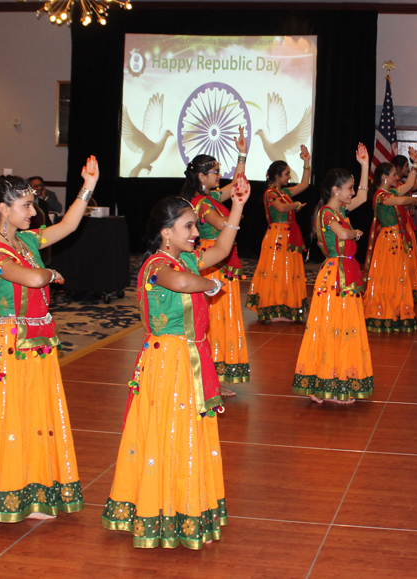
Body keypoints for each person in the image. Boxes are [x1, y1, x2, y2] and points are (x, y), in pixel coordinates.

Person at [0, 156, 99, 522]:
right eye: (26, 205)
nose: (33, 211)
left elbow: (68, 225)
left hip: (37, 339)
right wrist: (48, 272)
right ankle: (11, 490)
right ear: (3, 209)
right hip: (12, 342)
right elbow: (30, 279)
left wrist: (88, 186)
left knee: (35, 413)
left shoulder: (26, 240)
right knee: (13, 416)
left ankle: (34, 487)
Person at [102, 177, 250, 549]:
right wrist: (210, 286)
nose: (197, 232)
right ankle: (160, 508)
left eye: (196, 225)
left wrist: (238, 206)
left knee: (187, 432)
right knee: (167, 432)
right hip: (168, 362)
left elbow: (221, 250)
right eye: (189, 226)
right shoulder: (156, 265)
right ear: (167, 232)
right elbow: (180, 284)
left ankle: (186, 504)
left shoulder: (184, 258)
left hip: (189, 359)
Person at [293, 144, 374, 403]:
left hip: (344, 272)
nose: (353, 191)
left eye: (353, 186)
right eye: (349, 187)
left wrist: (364, 166)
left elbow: (362, 197)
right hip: (334, 276)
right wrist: (356, 233)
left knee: (342, 326)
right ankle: (328, 384)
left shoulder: (339, 210)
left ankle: (331, 383)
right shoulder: (328, 213)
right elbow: (342, 234)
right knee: (333, 326)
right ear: (336, 190)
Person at [180, 128, 249, 395]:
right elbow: (223, 225)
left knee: (223, 316)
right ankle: (209, 377)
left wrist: (242, 153)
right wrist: (236, 216)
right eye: (215, 172)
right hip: (212, 259)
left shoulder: (210, 197)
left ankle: (214, 376)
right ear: (201, 176)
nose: (219, 176)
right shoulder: (201, 203)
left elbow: (237, 186)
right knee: (214, 319)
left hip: (222, 257)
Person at [246, 146, 311, 323]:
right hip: (277, 237)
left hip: (288, 235)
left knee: (288, 271)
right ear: (277, 176)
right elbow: (281, 208)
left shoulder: (284, 192)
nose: (289, 177)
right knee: (276, 270)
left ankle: (285, 307)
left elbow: (304, 185)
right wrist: (295, 205)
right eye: (286, 174)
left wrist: (306, 162)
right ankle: (272, 309)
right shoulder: (270, 193)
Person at [363, 161, 417, 332]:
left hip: (396, 240)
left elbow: (410, 184)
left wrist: (416, 164)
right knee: (388, 275)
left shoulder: (390, 192)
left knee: (397, 275)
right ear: (384, 177)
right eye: (394, 174)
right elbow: (402, 199)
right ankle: (384, 312)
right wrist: (413, 200)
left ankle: (396, 309)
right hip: (388, 241)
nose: (397, 177)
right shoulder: (380, 196)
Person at [391, 149, 417, 302]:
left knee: (410, 257)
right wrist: (412, 202)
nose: (407, 169)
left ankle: (408, 287)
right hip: (398, 226)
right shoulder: (393, 188)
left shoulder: (402, 184)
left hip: (406, 224)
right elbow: (401, 203)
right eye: (405, 166)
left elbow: (415, 185)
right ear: (396, 169)